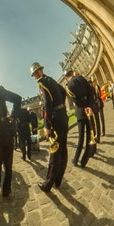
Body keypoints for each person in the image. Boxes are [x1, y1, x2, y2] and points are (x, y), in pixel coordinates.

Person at [31, 61, 70, 192]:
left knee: (55, 152)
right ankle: (58, 180)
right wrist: (60, 107)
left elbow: (47, 105)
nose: (35, 78)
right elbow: (64, 92)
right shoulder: (51, 80)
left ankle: (48, 184)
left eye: (34, 75)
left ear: (37, 72)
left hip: (56, 119)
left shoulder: (42, 82)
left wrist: (47, 126)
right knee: (63, 149)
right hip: (63, 115)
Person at [65, 67, 98, 168]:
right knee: (89, 136)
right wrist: (89, 106)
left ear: (66, 77)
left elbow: (75, 101)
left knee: (81, 138)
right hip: (89, 110)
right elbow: (91, 94)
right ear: (72, 72)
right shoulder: (83, 79)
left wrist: (83, 108)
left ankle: (75, 160)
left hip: (80, 111)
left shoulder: (68, 85)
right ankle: (84, 161)